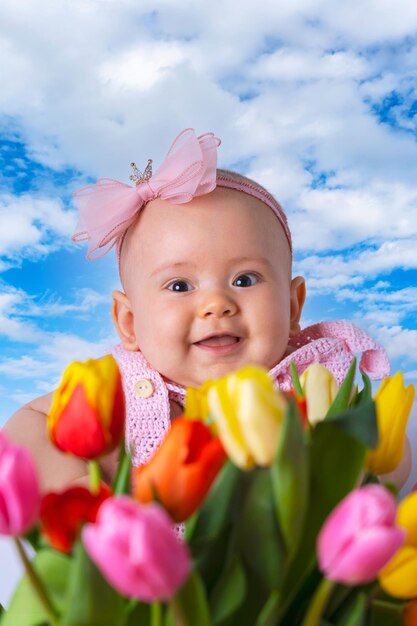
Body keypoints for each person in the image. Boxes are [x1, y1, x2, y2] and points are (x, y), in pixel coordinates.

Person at [3, 129, 411, 491]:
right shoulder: (117, 388)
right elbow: (25, 425)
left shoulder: (311, 377)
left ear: (291, 307)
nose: (216, 305)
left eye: (245, 280)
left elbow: (394, 456)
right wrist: (77, 487)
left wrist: (339, 465)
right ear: (130, 323)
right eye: (180, 286)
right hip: (144, 562)